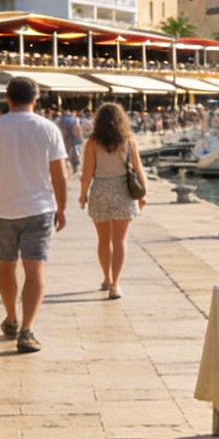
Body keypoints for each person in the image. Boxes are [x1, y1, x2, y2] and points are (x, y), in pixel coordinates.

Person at [0, 76, 68, 353]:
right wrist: (61, 207)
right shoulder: (48, 128)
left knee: (6, 266)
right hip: (39, 208)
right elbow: (59, 174)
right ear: (35, 99)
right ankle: (27, 329)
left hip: (3, 209)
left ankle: (12, 318)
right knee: (34, 268)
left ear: (8, 98)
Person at [79, 101, 146, 300]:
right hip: (123, 191)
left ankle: (107, 278)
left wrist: (83, 195)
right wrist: (143, 195)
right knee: (119, 241)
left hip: (100, 190)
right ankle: (115, 285)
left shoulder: (92, 143)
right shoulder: (129, 141)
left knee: (103, 240)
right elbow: (138, 170)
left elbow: (87, 173)